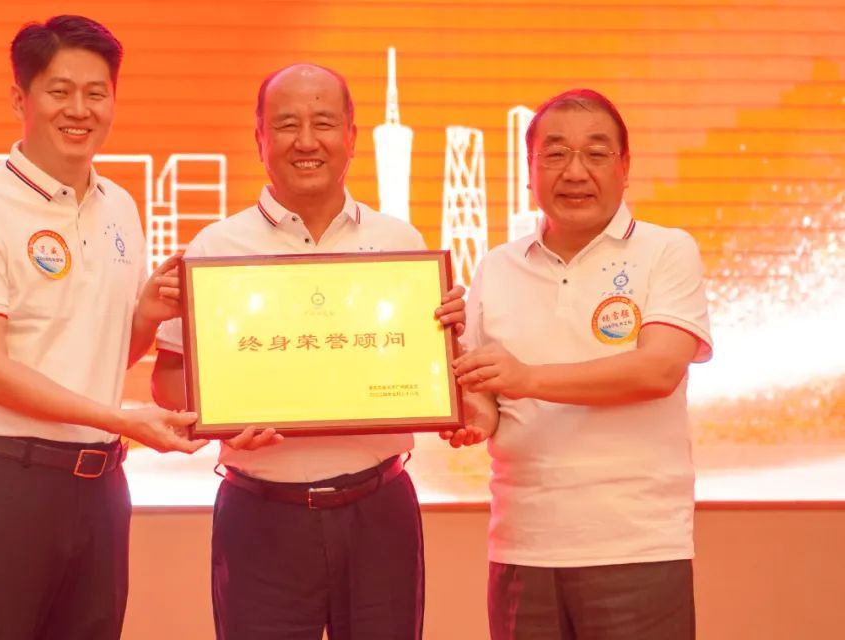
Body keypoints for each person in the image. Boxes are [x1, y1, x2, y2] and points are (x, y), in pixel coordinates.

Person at [151, 63, 467, 640]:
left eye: (323, 123)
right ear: (259, 139)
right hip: (260, 515)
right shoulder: (215, 248)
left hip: (379, 509)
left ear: (351, 136)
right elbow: (168, 381)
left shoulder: (401, 244)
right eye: (286, 124)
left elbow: (435, 368)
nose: (306, 141)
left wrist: (445, 347)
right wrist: (215, 419)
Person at [0, 14, 206, 640]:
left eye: (96, 92)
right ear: (20, 100)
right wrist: (122, 420)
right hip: (4, 481)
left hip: (100, 486)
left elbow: (105, 355)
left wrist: (145, 315)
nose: (79, 110)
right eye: (59, 91)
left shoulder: (120, 207)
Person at [453, 88, 713, 639]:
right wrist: (466, 415)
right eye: (555, 154)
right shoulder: (496, 267)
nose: (575, 172)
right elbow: (489, 399)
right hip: (522, 547)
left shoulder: (667, 251)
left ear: (624, 168)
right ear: (530, 170)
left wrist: (528, 379)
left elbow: (657, 371)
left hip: (636, 547)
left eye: (596, 154)